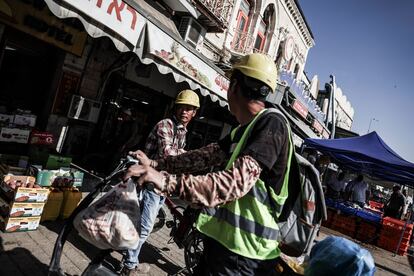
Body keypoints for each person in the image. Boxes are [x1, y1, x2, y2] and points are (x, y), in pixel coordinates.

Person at [125, 53, 293, 275]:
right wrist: (155, 163)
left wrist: (164, 180)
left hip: (246, 256)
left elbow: (233, 185)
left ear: (233, 86)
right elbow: (201, 157)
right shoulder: (244, 130)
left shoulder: (272, 124)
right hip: (223, 247)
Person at [121, 89, 200, 275]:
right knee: (145, 227)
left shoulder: (182, 131)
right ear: (176, 107)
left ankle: (129, 256)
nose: (185, 112)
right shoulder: (165, 125)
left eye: (189, 109)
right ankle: (129, 265)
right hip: (150, 182)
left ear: (194, 113)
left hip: (162, 183)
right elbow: (169, 155)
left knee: (142, 223)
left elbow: (176, 160)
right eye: (182, 107)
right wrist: (190, 158)